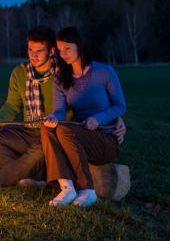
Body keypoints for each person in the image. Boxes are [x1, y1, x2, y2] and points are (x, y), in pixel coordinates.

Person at [41, 27, 126, 207]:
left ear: (79, 46)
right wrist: (53, 117)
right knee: (47, 128)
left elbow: (120, 106)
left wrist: (99, 119)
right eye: (60, 50)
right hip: (79, 139)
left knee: (65, 130)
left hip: (105, 139)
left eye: (67, 48)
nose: (63, 54)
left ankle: (88, 190)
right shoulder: (60, 78)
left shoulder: (105, 72)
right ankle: (67, 188)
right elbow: (59, 112)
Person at [0, 25, 60, 186]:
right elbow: (12, 105)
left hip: (53, 134)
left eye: (39, 51)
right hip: (29, 132)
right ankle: (34, 175)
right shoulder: (20, 72)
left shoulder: (63, 73)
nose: (33, 55)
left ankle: (0, 178)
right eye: (30, 50)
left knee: (41, 149)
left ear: (51, 51)